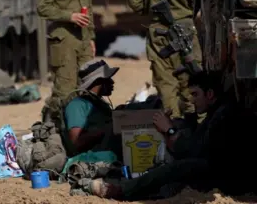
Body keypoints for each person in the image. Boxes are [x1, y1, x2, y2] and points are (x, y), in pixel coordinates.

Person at [87, 71, 255, 200]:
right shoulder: (215, 112)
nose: (192, 100)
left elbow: (195, 153)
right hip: (223, 174)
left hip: (231, 180)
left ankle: (121, 190)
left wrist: (170, 131)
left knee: (180, 168)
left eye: (196, 94)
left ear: (210, 94)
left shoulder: (223, 115)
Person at [37, 0, 99, 125]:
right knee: (65, 91)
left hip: (83, 41)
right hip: (63, 41)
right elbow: (43, 7)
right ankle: (52, 124)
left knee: (89, 86)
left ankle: (82, 128)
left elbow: (88, 6)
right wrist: (69, 16)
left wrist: (91, 38)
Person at [62, 59, 121, 158]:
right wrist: (108, 128)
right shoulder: (77, 105)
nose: (112, 82)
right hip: (89, 161)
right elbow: (76, 143)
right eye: (108, 78)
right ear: (98, 81)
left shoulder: (100, 104)